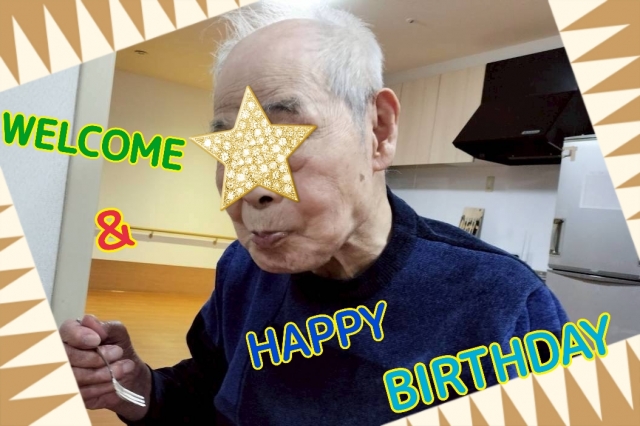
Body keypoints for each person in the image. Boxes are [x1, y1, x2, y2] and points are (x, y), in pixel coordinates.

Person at [60, 2, 569, 425]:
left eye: (286, 134)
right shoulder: (240, 270)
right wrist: (134, 387)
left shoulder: (506, 307)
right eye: (235, 148)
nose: (252, 188)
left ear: (379, 131)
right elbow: (208, 391)